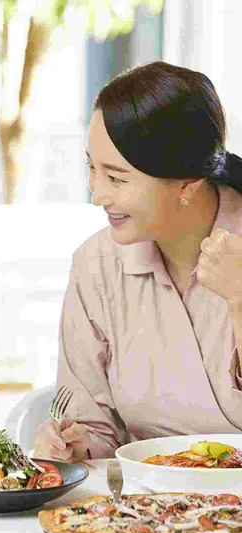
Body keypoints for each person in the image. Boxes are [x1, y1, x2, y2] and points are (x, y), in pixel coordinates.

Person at [34, 61, 242, 462]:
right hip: (145, 507)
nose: (97, 194)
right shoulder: (96, 265)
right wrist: (75, 445)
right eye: (92, 169)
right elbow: (94, 429)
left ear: (186, 182)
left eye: (116, 178)